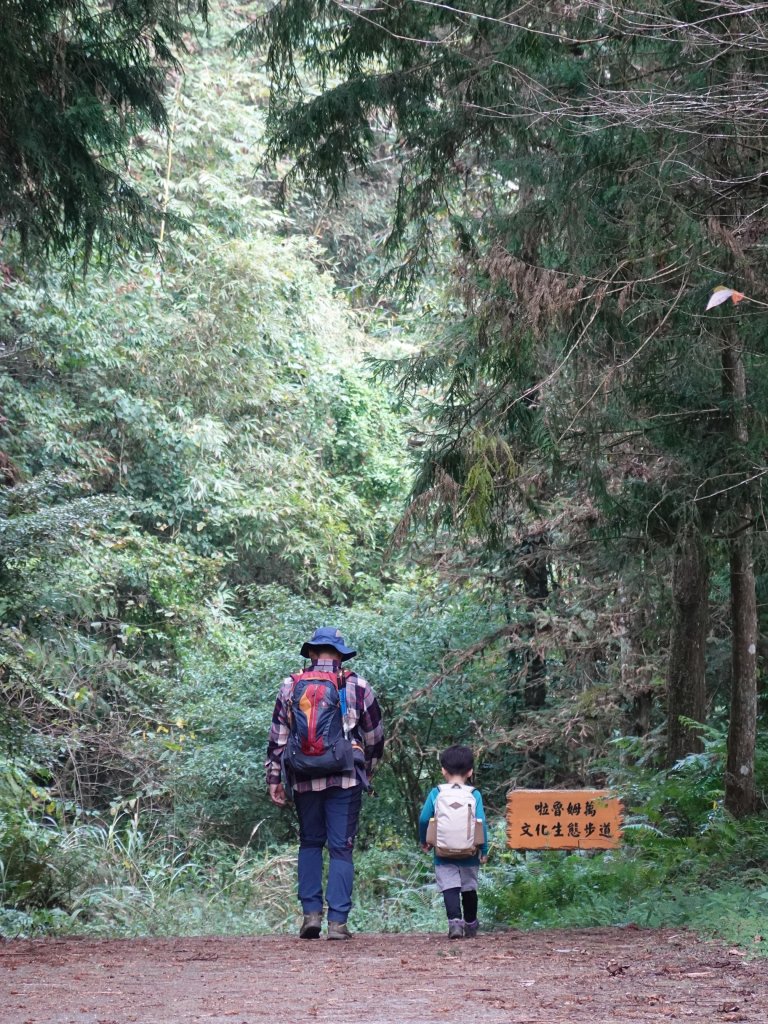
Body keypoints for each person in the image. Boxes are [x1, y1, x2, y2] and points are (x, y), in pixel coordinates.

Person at [265, 626, 384, 940]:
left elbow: (278, 738)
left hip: (304, 776)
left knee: (310, 843)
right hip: (345, 778)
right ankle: (338, 923)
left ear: (313, 653)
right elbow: (374, 736)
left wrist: (274, 779)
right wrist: (367, 770)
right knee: (341, 848)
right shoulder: (357, 685)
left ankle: (311, 916)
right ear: (340, 655)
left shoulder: (290, 685)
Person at [419, 744, 489, 939]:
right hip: (470, 852)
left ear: (443, 770)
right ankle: (471, 923)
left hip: (443, 851)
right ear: (470, 771)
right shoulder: (474, 794)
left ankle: (455, 924)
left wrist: (424, 840)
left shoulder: (436, 793)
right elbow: (481, 823)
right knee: (469, 887)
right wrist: (484, 849)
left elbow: (424, 819)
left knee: (449, 886)